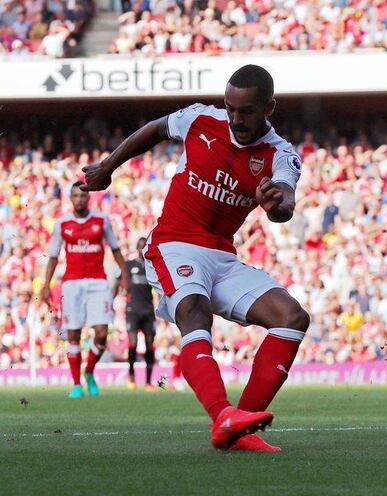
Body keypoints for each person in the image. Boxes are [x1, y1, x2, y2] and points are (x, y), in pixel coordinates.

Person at [80, 64, 308, 453]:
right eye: (230, 108)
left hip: (221, 254)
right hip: (173, 242)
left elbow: (285, 199)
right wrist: (108, 166)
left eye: (247, 111)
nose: (236, 118)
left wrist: (276, 205)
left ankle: (238, 429)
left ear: (269, 107)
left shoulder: (280, 154)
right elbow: (154, 128)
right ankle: (222, 413)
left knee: (292, 318)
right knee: (194, 311)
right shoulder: (200, 118)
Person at [41, 182, 129, 398]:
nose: (79, 199)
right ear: (70, 199)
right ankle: (76, 385)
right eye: (75, 196)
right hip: (72, 283)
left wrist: (125, 275)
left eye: (82, 196)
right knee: (73, 333)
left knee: (101, 333)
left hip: (98, 282)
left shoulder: (101, 220)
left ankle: (89, 372)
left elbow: (116, 249)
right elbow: (52, 256)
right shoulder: (62, 223)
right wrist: (45, 285)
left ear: (88, 198)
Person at [116, 237, 157, 391]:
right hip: (132, 310)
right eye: (140, 247)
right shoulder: (129, 265)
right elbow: (118, 280)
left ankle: (148, 381)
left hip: (148, 311)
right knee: (132, 343)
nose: (142, 250)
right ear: (137, 249)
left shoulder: (153, 268)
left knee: (149, 345)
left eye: (144, 246)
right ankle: (132, 375)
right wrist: (116, 295)